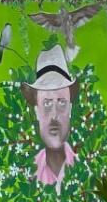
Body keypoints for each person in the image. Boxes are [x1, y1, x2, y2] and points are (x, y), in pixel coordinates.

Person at [21, 45, 80, 189]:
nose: (54, 115)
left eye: (61, 102)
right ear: (37, 111)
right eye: (47, 103)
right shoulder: (27, 174)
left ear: (70, 109)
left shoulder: (85, 168)